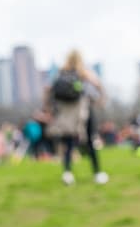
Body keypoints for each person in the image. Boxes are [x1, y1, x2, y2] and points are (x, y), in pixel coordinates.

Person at [46, 50, 109, 186]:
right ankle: (97, 173)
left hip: (66, 113)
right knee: (90, 142)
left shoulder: (61, 73)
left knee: (68, 143)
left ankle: (67, 173)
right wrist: (101, 98)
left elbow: (48, 89)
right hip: (83, 111)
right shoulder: (83, 73)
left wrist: (48, 108)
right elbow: (97, 85)